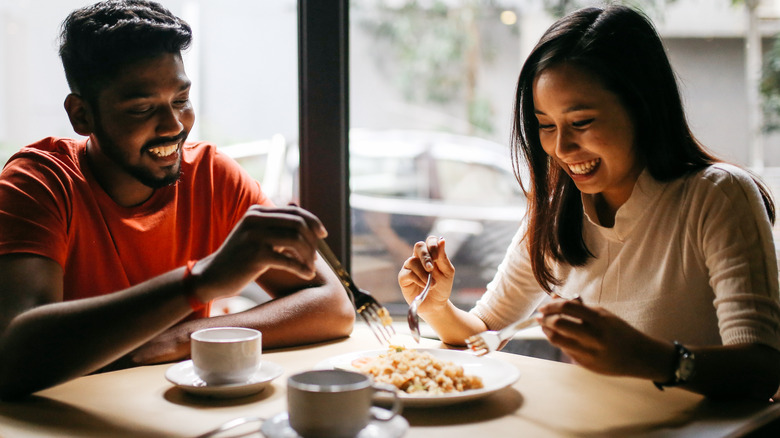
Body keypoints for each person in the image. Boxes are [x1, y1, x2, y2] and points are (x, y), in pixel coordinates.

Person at [399, 5, 780, 400]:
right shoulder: (557, 209)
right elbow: (485, 332)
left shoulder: (717, 196)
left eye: (581, 123)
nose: (561, 148)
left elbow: (762, 368)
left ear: (642, 107)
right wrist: (437, 306)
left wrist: (650, 358)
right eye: (546, 125)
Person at [0, 0, 355, 400]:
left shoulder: (211, 175)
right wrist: (200, 281)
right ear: (82, 115)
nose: (173, 126)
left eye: (181, 100)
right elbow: (10, 356)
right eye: (142, 108)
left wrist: (175, 339)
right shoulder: (39, 182)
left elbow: (334, 307)